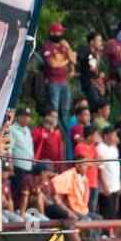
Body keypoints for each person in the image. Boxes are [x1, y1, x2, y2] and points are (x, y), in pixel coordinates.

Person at [40, 22, 77, 151]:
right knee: (54, 111)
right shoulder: (47, 47)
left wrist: (68, 48)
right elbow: (53, 64)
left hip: (64, 82)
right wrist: (67, 61)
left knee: (65, 112)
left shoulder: (63, 46)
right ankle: (54, 134)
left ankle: (66, 136)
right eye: (58, 32)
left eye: (61, 32)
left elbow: (74, 60)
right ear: (52, 33)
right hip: (53, 82)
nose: (60, 35)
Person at [8, 107, 35, 213]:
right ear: (19, 117)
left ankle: (24, 211)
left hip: (28, 166)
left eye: (29, 117)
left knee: (26, 191)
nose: (28, 119)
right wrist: (10, 166)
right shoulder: (12, 130)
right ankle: (16, 212)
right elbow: (9, 149)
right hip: (17, 166)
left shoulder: (27, 130)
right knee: (17, 191)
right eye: (26, 117)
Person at [97, 126, 121, 221]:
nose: (116, 137)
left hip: (115, 184)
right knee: (106, 211)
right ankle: (103, 234)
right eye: (113, 135)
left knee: (112, 211)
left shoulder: (114, 148)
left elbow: (116, 166)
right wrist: (104, 185)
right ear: (106, 136)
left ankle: (108, 233)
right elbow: (100, 169)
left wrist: (119, 183)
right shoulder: (100, 149)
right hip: (105, 186)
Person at [80, 30, 109, 113]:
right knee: (96, 107)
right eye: (99, 40)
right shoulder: (88, 53)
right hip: (90, 83)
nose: (101, 43)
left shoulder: (94, 53)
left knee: (101, 105)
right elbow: (93, 68)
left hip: (95, 84)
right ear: (92, 42)